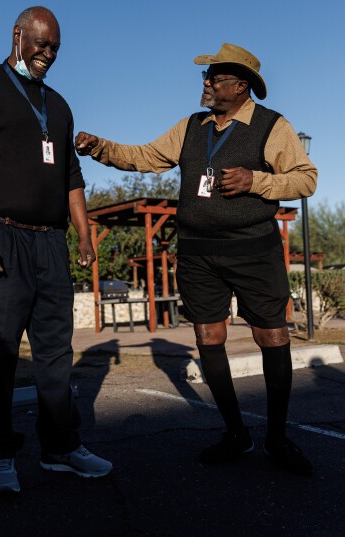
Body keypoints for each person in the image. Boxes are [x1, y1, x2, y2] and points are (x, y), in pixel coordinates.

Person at [75, 43, 318, 475]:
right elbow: (145, 157)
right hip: (197, 251)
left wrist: (255, 180)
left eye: (215, 78)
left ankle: (277, 438)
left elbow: (306, 179)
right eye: (205, 78)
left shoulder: (272, 126)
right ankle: (236, 434)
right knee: (208, 337)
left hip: (254, 248)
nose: (206, 84)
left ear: (241, 86)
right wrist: (100, 147)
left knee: (272, 339)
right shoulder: (191, 126)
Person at [0, 6, 112, 495]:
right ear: (18, 36)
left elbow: (71, 179)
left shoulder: (57, 106)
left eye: (55, 47)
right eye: (41, 43)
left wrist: (82, 235)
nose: (48, 53)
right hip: (1, 236)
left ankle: (61, 447)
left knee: (57, 353)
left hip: (50, 243)